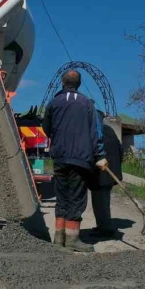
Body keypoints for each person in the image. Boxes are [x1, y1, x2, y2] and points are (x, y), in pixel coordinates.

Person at [42, 70, 107, 252]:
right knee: (76, 198)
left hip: (60, 157)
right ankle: (72, 239)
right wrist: (100, 155)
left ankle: (58, 238)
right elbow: (96, 132)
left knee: (62, 197)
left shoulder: (54, 102)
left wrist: (58, 138)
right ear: (79, 84)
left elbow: (46, 127)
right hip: (80, 159)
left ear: (63, 83)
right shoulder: (87, 104)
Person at [89, 114, 123, 237]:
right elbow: (120, 149)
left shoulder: (92, 130)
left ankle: (106, 229)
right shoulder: (109, 129)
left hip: (101, 171)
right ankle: (102, 225)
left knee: (100, 201)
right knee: (105, 199)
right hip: (112, 170)